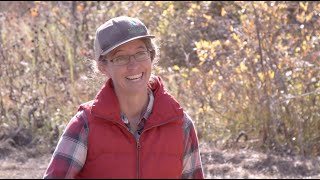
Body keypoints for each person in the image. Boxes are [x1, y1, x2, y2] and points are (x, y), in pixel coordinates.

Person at [43, 16, 204, 179]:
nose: (133, 65)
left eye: (140, 53)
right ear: (103, 67)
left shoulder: (181, 125)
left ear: (151, 56)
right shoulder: (84, 125)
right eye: (121, 57)